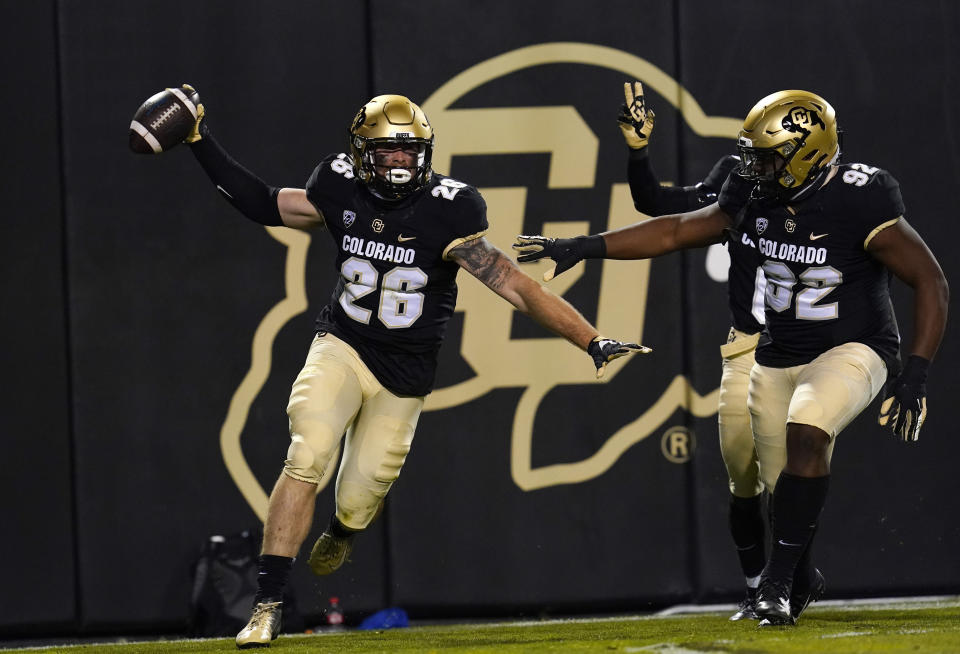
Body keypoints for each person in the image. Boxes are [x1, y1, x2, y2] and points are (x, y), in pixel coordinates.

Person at [168, 87, 648, 648]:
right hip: (342, 345)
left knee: (360, 494)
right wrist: (199, 141)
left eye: (410, 150)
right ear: (362, 153)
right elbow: (263, 202)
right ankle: (268, 604)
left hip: (405, 376)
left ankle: (344, 528)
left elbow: (515, 287)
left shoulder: (451, 210)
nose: (400, 161)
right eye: (389, 151)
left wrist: (588, 339)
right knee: (308, 452)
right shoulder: (337, 185)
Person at [514, 89, 948, 626]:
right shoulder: (750, 190)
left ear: (806, 154)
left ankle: (773, 586)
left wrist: (918, 370)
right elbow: (674, 227)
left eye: (766, 157)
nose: (752, 168)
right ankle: (794, 577)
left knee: (808, 432)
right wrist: (583, 246)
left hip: (852, 346)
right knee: (773, 485)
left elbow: (929, 278)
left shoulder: (863, 195)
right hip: (775, 350)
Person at [615, 81, 769, 621]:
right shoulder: (738, 179)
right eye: (755, 151)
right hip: (750, 348)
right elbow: (660, 208)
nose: (761, 162)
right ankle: (760, 587)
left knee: (795, 468)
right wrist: (639, 152)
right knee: (743, 477)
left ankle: (788, 583)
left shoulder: (835, 193)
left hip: (813, 348)